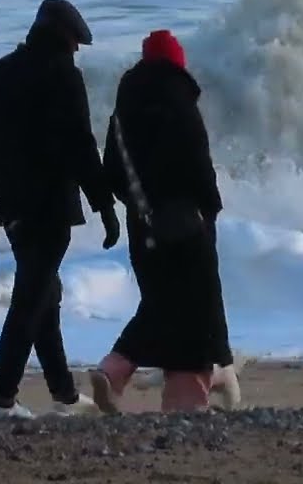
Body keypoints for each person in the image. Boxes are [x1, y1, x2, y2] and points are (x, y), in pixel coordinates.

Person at [0, 0, 122, 420]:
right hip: (51, 209)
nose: (75, 51)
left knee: (44, 295)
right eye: (74, 43)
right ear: (61, 38)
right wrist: (105, 204)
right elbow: (81, 146)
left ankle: (65, 396)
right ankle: (2, 399)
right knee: (31, 300)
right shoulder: (63, 77)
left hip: (12, 208)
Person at [89, 29, 233, 413]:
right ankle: (183, 404)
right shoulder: (179, 99)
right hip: (186, 223)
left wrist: (139, 206)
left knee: (161, 304)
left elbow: (113, 172)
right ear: (176, 62)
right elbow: (197, 161)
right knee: (196, 313)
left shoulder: (122, 111)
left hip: (143, 226)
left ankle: (114, 370)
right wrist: (211, 207)